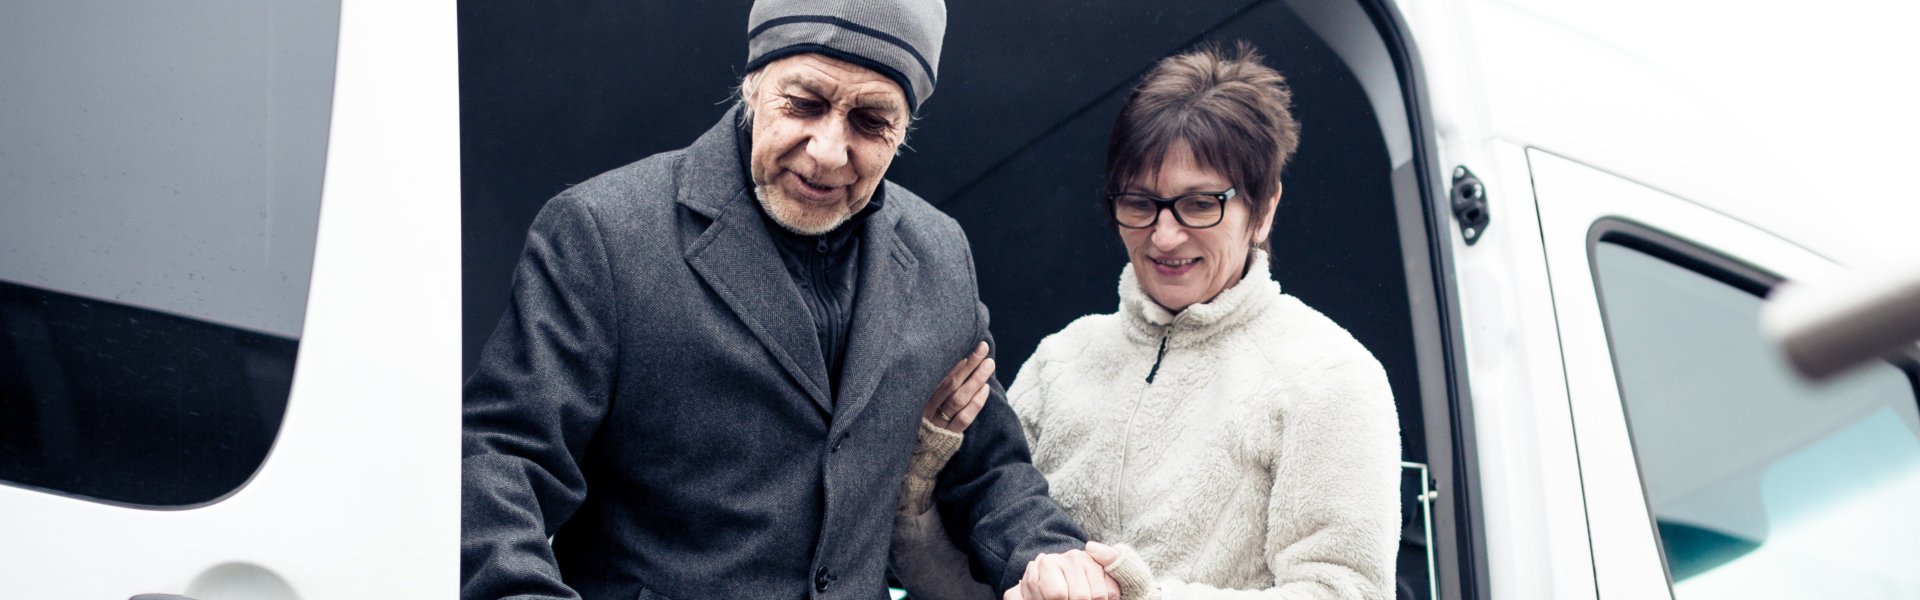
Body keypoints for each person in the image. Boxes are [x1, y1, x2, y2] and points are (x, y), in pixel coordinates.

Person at [460, 1, 1120, 598]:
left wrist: (1047, 551)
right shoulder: (602, 233)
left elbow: (990, 473)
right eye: (804, 103)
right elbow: (502, 464)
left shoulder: (940, 253)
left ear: (905, 128)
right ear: (753, 85)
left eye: (871, 121)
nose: (829, 151)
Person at [891, 42, 1402, 600]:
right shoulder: (1061, 360)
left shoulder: (1331, 375)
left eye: (1200, 203)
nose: (1164, 235)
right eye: (1139, 202)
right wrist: (917, 489)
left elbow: (1344, 590)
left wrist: (1140, 596)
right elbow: (969, 589)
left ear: (1264, 208)